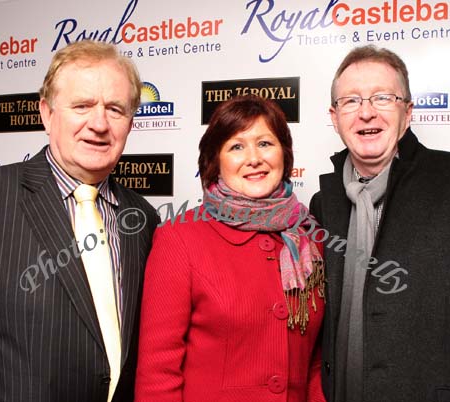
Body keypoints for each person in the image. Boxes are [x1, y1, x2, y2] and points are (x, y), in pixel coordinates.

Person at [0, 40, 159, 402]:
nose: (99, 123)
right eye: (82, 105)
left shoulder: (143, 218)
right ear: (46, 113)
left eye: (115, 109)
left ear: (130, 122)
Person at [310, 44, 450, 402]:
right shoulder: (325, 203)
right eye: (351, 101)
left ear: (408, 112)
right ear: (335, 118)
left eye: (382, 97)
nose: (366, 113)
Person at [135, 94, 326, 402]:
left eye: (265, 143)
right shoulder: (179, 237)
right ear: (215, 161)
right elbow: (158, 372)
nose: (254, 158)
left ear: (284, 154)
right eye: (237, 146)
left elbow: (317, 359)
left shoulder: (308, 237)